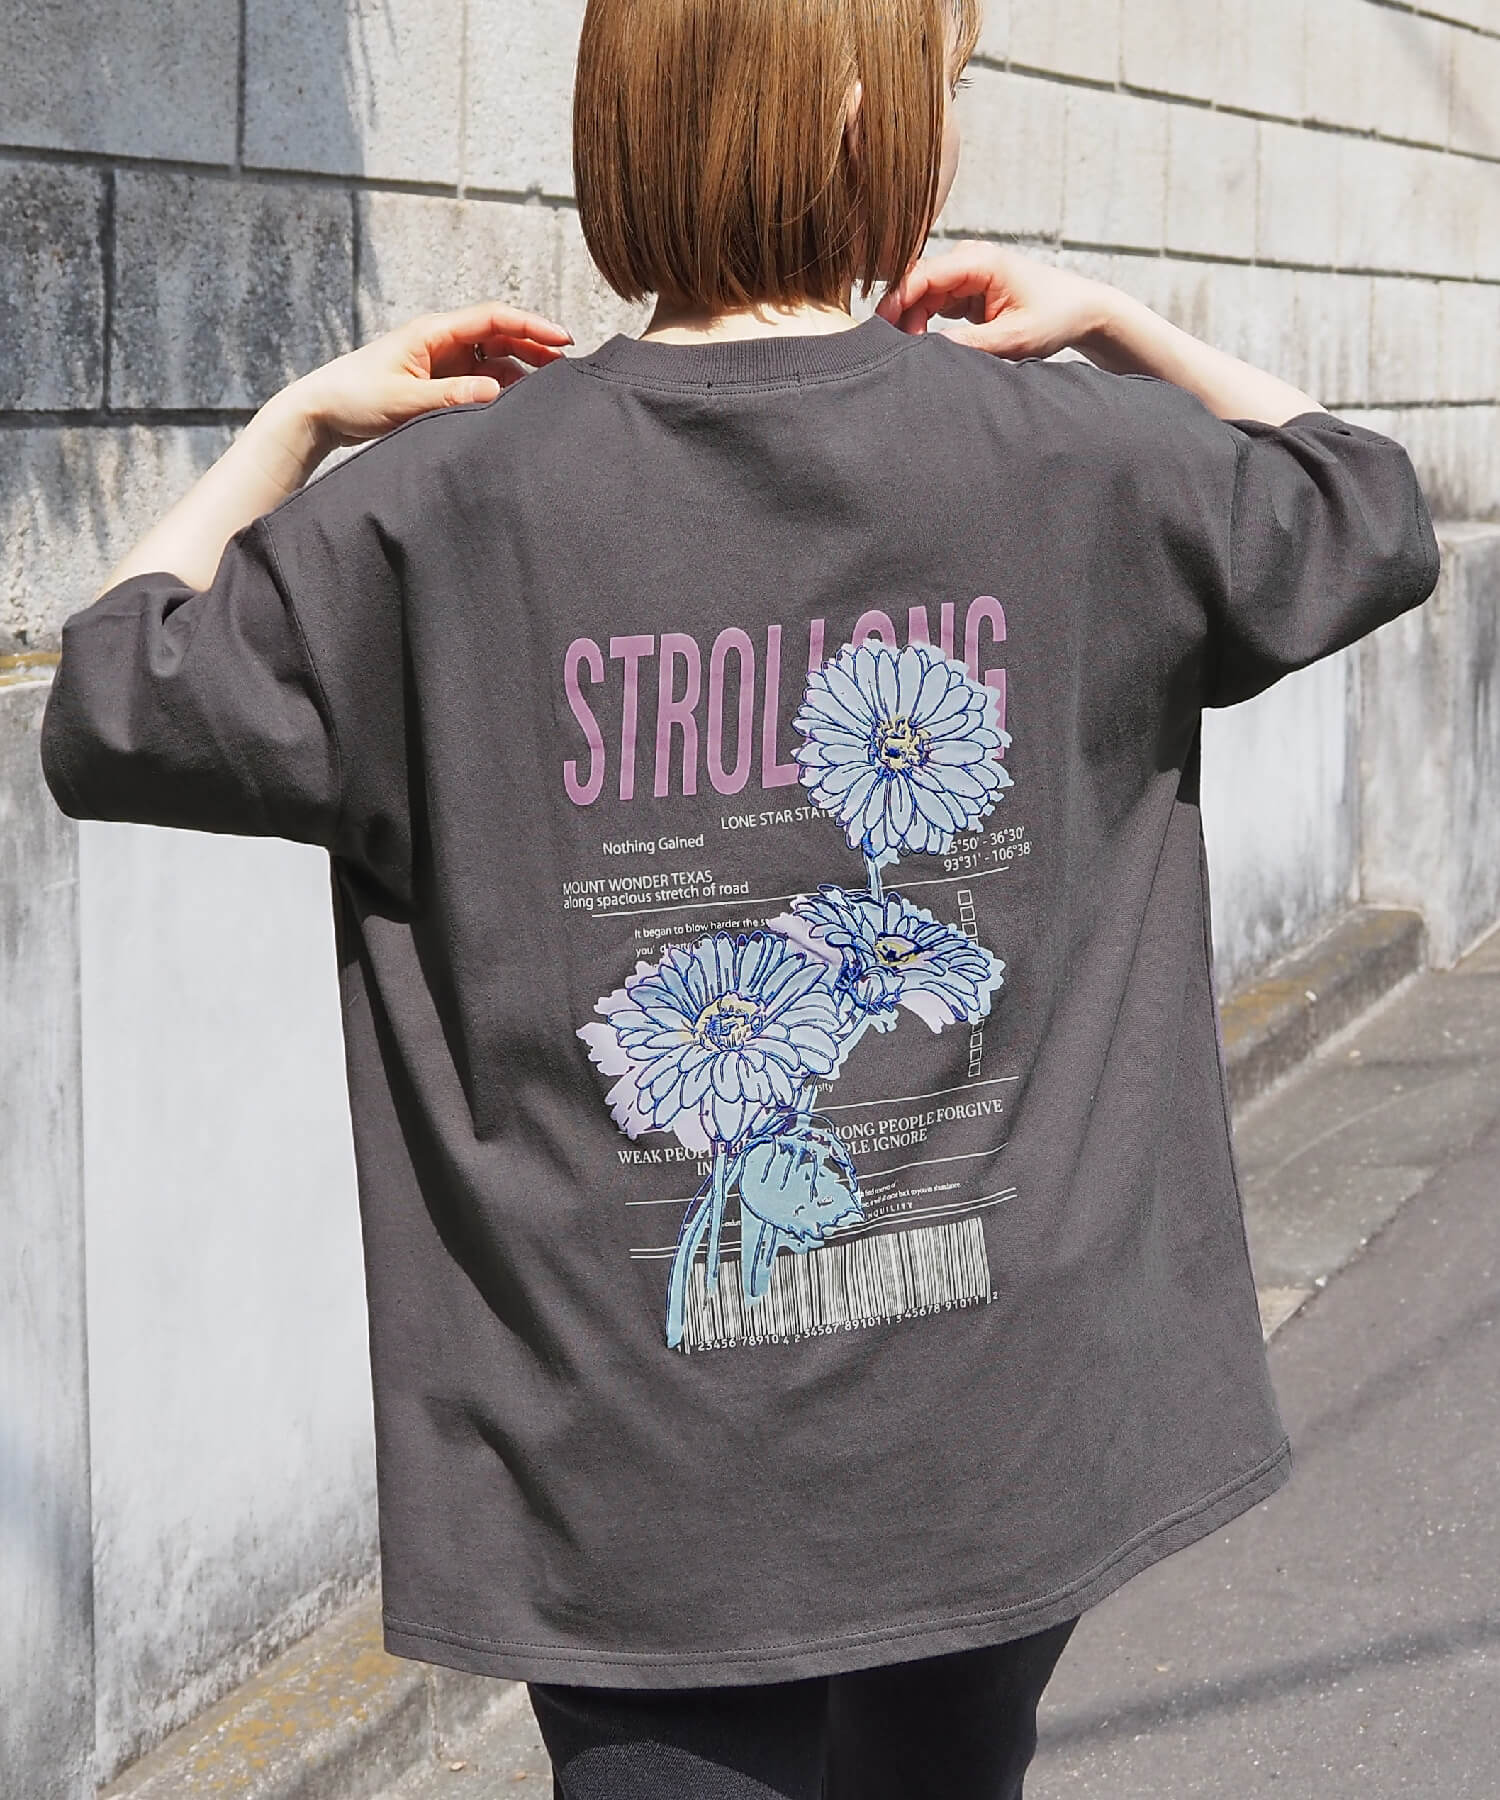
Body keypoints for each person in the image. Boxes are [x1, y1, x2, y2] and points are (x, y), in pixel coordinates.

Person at [38, 0, 1440, 1794]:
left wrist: (292, 430)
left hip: (627, 1467)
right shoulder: (1075, 458)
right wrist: (1123, 329)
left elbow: (114, 698)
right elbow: (1367, 507)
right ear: (858, 107)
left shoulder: (436, 515)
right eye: (942, 80)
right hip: (993, 1429)